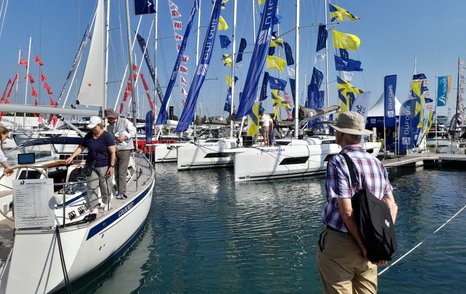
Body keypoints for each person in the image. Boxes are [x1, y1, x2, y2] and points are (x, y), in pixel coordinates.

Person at [316, 111, 398, 294]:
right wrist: (379, 244)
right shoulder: (377, 163)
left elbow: (347, 212)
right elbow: (392, 206)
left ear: (340, 134)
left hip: (341, 245)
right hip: (371, 248)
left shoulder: (337, 162)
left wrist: (362, 246)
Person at [65, 116, 116, 215]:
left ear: (100, 126)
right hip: (91, 165)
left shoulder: (106, 136)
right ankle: (94, 206)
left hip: (105, 165)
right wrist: (72, 157)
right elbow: (81, 147)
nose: (92, 129)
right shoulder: (88, 136)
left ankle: (107, 202)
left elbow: (113, 152)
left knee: (105, 186)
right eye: (91, 127)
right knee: (92, 187)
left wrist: (111, 166)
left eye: (94, 127)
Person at [104, 108, 136, 199]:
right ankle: (118, 190)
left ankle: (122, 192)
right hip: (115, 151)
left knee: (122, 172)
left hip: (125, 149)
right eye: (109, 118)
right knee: (117, 172)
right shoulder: (108, 127)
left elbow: (133, 131)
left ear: (115, 116)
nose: (110, 119)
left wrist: (125, 137)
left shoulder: (125, 121)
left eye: (111, 117)